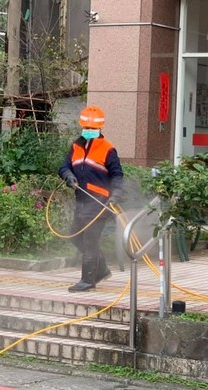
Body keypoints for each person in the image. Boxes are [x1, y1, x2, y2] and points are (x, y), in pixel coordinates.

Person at [59, 105, 124, 292]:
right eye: (86, 128)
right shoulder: (76, 146)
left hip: (99, 204)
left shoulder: (108, 149)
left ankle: (88, 280)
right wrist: (68, 176)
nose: (89, 131)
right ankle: (101, 268)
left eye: (93, 129)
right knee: (75, 235)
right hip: (81, 201)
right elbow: (64, 167)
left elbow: (117, 176)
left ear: (99, 129)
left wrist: (116, 195)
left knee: (90, 241)